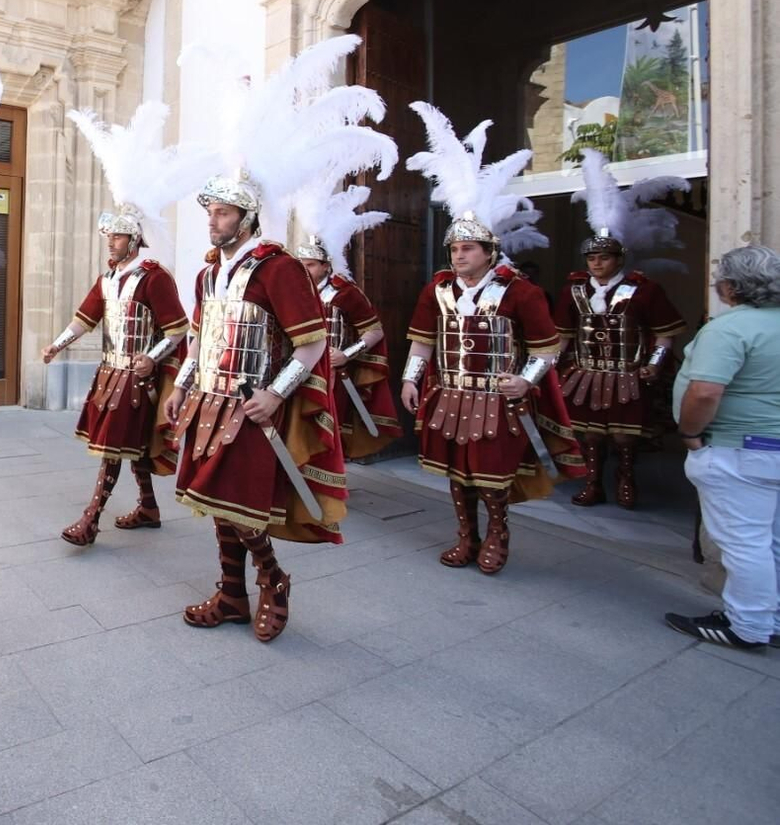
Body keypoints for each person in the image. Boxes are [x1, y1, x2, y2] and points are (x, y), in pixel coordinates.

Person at [164, 34, 394, 642]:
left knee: (243, 507)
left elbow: (313, 344)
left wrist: (277, 393)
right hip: (207, 401)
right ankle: (232, 596)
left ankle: (272, 581)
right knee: (215, 506)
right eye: (208, 210)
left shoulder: (279, 266)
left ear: (246, 215)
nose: (210, 219)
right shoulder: (209, 270)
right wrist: (181, 386)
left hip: (250, 404)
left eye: (219, 212)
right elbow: (198, 336)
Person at [400, 102, 581, 575]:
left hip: (498, 398)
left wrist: (527, 381)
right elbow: (422, 340)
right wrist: (410, 378)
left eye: (468, 248)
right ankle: (466, 536)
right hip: (450, 393)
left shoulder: (519, 291)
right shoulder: (436, 289)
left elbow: (547, 346)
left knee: (493, 477)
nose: (459, 255)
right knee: (456, 474)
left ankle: (497, 536)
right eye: (454, 248)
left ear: (489, 252)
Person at [42, 103, 195, 545]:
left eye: (118, 236)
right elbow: (85, 318)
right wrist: (56, 345)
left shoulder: (154, 277)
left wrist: (153, 357)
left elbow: (178, 329)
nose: (111, 241)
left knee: (112, 448)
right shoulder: (108, 278)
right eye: (109, 235)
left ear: (135, 239)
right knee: (133, 443)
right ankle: (148, 506)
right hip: (111, 369)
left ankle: (90, 520)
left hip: (138, 373)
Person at [556, 150, 689, 508]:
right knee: (588, 435)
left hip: (627, 373)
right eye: (591, 258)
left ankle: (627, 480)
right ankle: (593, 484)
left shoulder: (644, 289)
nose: (597, 264)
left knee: (624, 436)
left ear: (619, 259)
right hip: (584, 373)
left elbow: (665, 330)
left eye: (604, 258)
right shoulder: (575, 290)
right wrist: (552, 366)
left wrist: (656, 363)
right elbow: (563, 334)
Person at [665, 245, 780, 651]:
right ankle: (772, 618)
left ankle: (747, 626)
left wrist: (690, 435)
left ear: (731, 286)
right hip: (769, 449)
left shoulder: (730, 328)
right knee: (771, 540)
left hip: (739, 450)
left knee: (744, 542)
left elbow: (706, 391)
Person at [291, 184, 401, 460]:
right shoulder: (291, 293)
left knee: (332, 431)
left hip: (333, 375)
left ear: (326, 266)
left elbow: (373, 331)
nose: (305, 269)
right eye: (301, 263)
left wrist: (346, 354)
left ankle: (332, 482)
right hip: (296, 371)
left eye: (312, 264)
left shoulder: (345, 293)